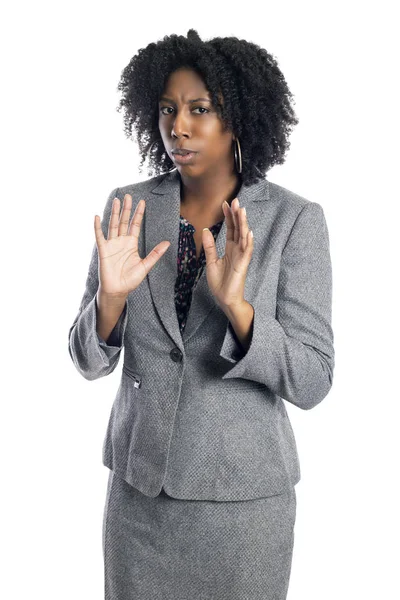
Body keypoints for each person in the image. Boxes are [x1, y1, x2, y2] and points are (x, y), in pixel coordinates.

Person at [68, 29, 335, 600]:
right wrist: (109, 303)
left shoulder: (294, 221)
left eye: (200, 109)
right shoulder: (128, 208)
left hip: (244, 513)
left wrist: (239, 309)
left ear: (239, 116)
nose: (178, 127)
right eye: (167, 109)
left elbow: (313, 380)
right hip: (140, 502)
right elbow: (87, 361)